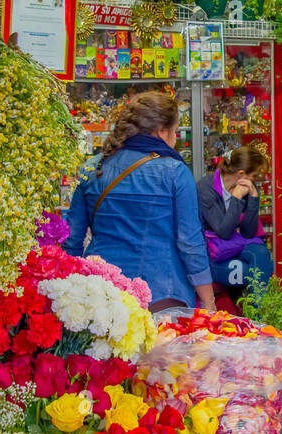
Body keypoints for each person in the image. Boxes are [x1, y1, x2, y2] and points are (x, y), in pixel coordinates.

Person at [62, 91, 215, 313]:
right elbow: (190, 243)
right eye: (175, 132)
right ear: (162, 131)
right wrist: (208, 301)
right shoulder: (174, 171)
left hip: (99, 292)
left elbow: (72, 239)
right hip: (161, 294)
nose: (175, 139)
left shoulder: (92, 167)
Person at [197, 146, 273, 294]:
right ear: (241, 174)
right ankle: (260, 312)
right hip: (213, 253)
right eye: (255, 176)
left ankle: (261, 313)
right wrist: (236, 198)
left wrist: (253, 199)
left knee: (262, 255)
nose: (256, 180)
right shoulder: (205, 189)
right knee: (253, 274)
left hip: (238, 244)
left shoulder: (249, 186)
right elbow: (224, 232)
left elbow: (248, 233)